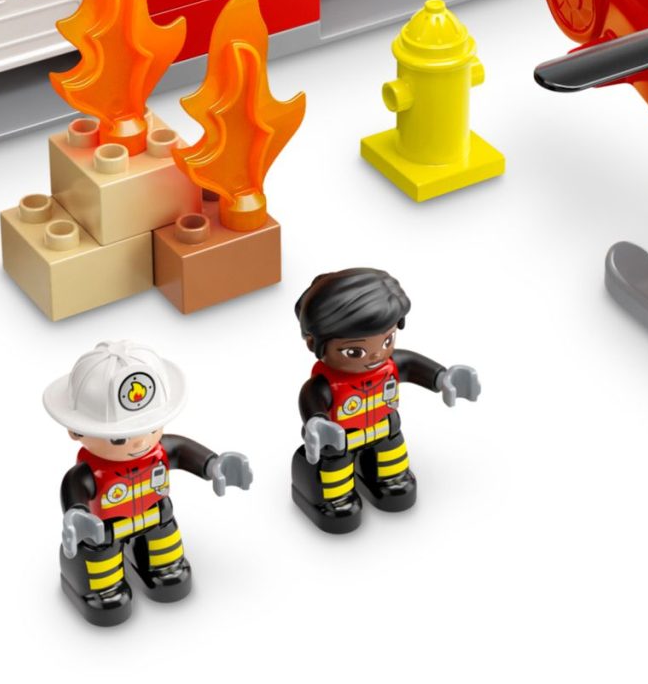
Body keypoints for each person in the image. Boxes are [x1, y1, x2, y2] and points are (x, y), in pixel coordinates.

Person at [46, 339, 250, 627]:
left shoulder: (160, 451)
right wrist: (77, 516)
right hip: (105, 531)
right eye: (119, 438)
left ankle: (162, 567)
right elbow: (74, 490)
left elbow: (184, 452)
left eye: (151, 427)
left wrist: (213, 464)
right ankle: (102, 589)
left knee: (169, 564)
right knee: (99, 565)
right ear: (76, 431)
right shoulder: (89, 473)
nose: (141, 441)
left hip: (156, 518)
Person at [289, 266, 480, 532]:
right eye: (355, 351)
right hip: (341, 441)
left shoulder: (390, 364)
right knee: (335, 475)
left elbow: (414, 366)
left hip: (385, 430)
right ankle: (336, 498)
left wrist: (442, 377)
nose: (376, 355)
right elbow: (311, 400)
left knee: (394, 467)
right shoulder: (326, 385)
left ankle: (388, 479)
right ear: (314, 344)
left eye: (387, 340)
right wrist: (317, 423)